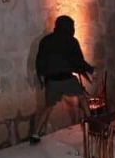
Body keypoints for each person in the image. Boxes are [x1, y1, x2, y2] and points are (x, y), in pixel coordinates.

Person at [29, 15, 94, 145]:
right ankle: (92, 124)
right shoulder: (71, 41)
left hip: (52, 80)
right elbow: (78, 61)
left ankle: (35, 134)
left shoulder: (46, 40)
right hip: (66, 78)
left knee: (48, 106)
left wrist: (42, 77)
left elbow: (40, 60)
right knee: (82, 97)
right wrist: (90, 70)